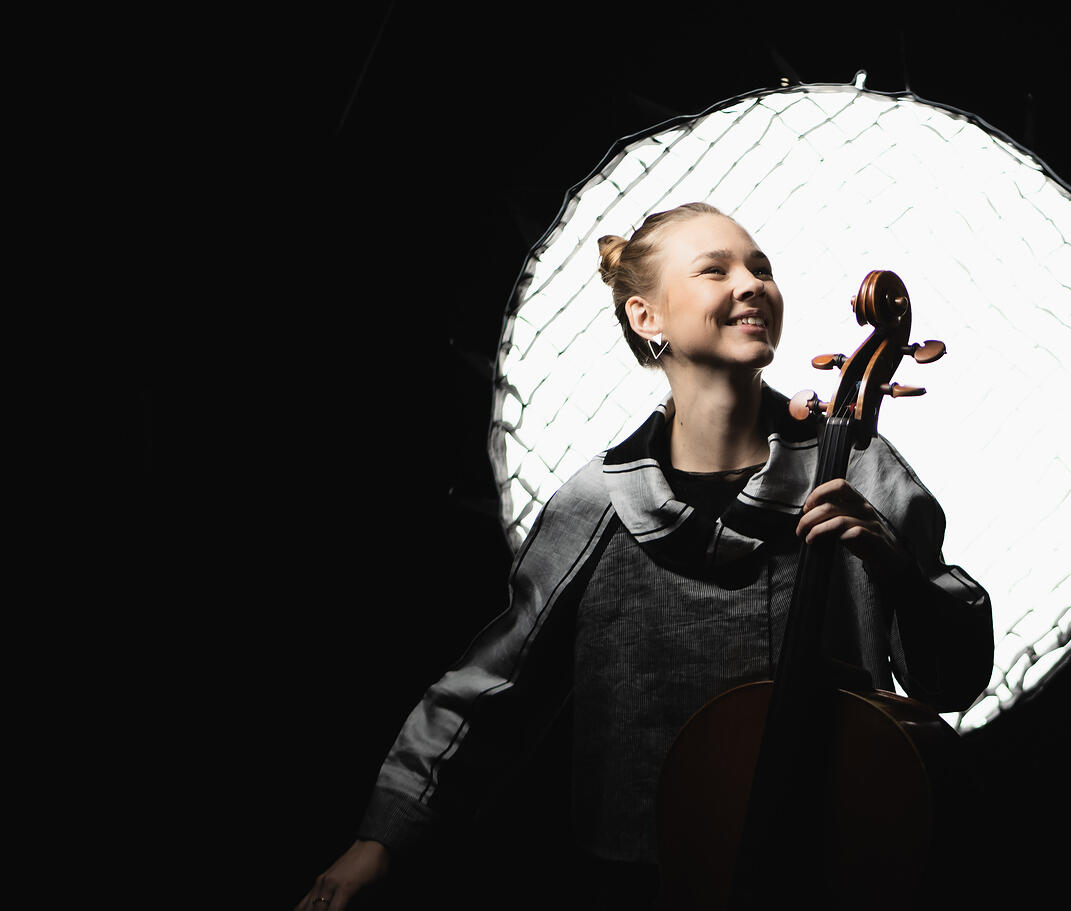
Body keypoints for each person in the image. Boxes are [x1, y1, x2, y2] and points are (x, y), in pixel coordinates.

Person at [296, 203, 993, 909]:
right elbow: (492, 689)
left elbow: (952, 678)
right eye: (714, 269)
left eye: (762, 269)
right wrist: (381, 837)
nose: (751, 284)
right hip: (639, 883)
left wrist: (900, 571)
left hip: (830, 870)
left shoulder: (858, 472)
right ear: (645, 316)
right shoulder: (597, 501)